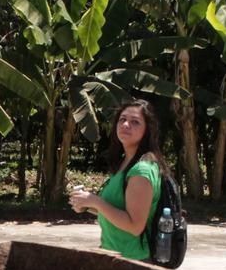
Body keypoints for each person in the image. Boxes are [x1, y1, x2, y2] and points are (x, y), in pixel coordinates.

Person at [67, 99, 165, 259]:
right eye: (122, 119)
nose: (126, 125)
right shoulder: (125, 163)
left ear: (147, 130)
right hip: (114, 254)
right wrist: (88, 204)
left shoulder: (142, 170)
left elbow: (134, 226)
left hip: (133, 261)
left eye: (135, 122)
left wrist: (96, 201)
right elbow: (118, 209)